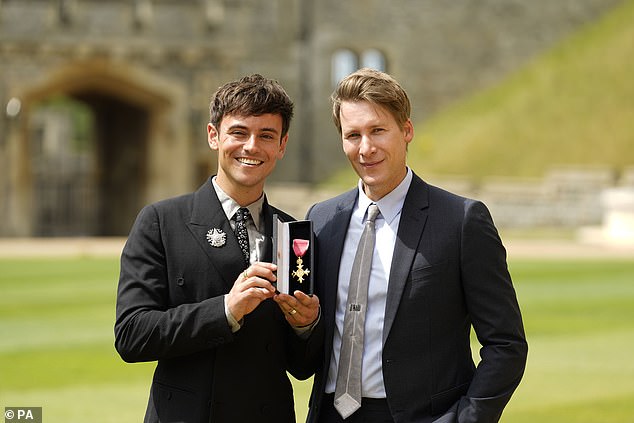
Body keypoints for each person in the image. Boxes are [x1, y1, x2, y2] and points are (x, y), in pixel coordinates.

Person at [305, 68, 528, 423]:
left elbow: (506, 345)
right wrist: (303, 325)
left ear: (406, 131)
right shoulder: (321, 219)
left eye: (378, 130)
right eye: (353, 135)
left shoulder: (461, 221)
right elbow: (307, 352)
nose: (366, 148)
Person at [114, 74, 322, 423]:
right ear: (214, 136)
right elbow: (132, 335)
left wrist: (307, 326)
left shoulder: (295, 233)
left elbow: (302, 367)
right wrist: (225, 310)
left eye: (266, 136)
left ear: (282, 145)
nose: (251, 146)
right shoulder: (161, 221)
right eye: (239, 132)